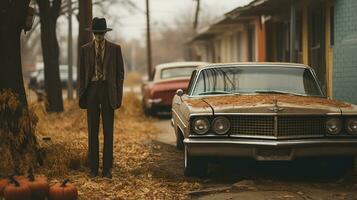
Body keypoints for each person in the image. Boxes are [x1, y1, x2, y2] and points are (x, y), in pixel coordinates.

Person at [78, 17, 124, 179]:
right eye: (95, 33)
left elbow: (120, 75)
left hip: (107, 90)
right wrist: (81, 95)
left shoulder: (115, 49)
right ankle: (93, 169)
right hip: (91, 90)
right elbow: (81, 74)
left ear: (105, 32)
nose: (98, 36)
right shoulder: (84, 50)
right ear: (93, 33)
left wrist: (118, 96)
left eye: (100, 33)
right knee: (92, 130)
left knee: (108, 131)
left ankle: (107, 169)